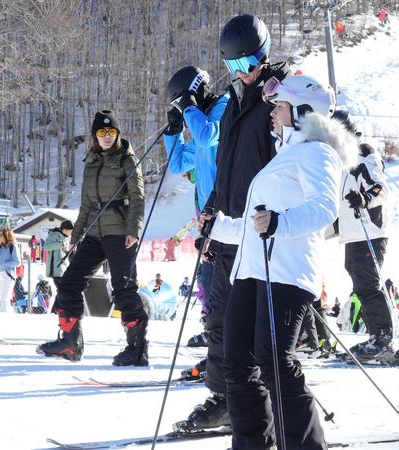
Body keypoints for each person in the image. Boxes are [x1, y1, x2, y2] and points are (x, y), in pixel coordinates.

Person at [204, 72, 341, 450]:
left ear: (301, 112)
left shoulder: (317, 152)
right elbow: (255, 226)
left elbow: (325, 208)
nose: (272, 113)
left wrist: (281, 222)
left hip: (287, 273)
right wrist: (216, 228)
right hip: (252, 271)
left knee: (275, 363)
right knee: (237, 362)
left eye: (278, 106)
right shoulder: (283, 157)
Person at [174, 14, 291, 434]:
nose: (243, 74)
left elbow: (289, 165)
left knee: (259, 333)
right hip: (225, 230)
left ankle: (273, 409)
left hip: (258, 235)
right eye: (234, 67)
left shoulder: (276, 101)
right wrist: (209, 209)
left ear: (264, 55)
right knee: (218, 320)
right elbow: (224, 168)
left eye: (249, 64)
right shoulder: (233, 104)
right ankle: (225, 400)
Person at [37, 110, 145, 365]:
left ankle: (137, 349)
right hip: (94, 232)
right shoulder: (92, 161)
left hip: (120, 233)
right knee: (70, 282)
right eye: (101, 133)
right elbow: (86, 203)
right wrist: (76, 235)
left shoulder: (127, 160)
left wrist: (133, 231)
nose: (107, 137)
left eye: (111, 132)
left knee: (124, 289)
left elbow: (138, 198)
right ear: (95, 136)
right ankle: (70, 342)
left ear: (117, 134)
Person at [164, 64, 229, 358]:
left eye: (182, 100)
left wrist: (189, 110)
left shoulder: (223, 108)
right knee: (208, 281)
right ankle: (216, 339)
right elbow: (177, 163)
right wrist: (174, 131)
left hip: (228, 213)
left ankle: (224, 345)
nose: (183, 107)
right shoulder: (200, 119)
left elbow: (207, 137)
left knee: (220, 284)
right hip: (207, 219)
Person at [337, 111, 399, 363]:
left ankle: (383, 338)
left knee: (367, 282)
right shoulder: (343, 160)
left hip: (369, 230)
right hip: (354, 232)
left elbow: (379, 187)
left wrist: (365, 199)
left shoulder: (363, 154)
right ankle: (377, 335)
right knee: (360, 280)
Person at [0, 228, 21, 313]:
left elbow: (17, 262)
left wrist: (4, 263)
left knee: (5, 298)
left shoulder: (13, 246)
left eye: (1, 235)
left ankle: (4, 315)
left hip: (8, 274)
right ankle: (6, 314)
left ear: (6, 236)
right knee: (2, 297)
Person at [43, 220, 74, 292]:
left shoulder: (66, 237)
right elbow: (46, 246)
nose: (71, 233)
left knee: (63, 291)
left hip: (64, 267)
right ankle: (63, 302)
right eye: (70, 231)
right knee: (63, 291)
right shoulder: (54, 235)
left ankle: (60, 303)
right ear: (65, 230)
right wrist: (61, 245)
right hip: (56, 268)